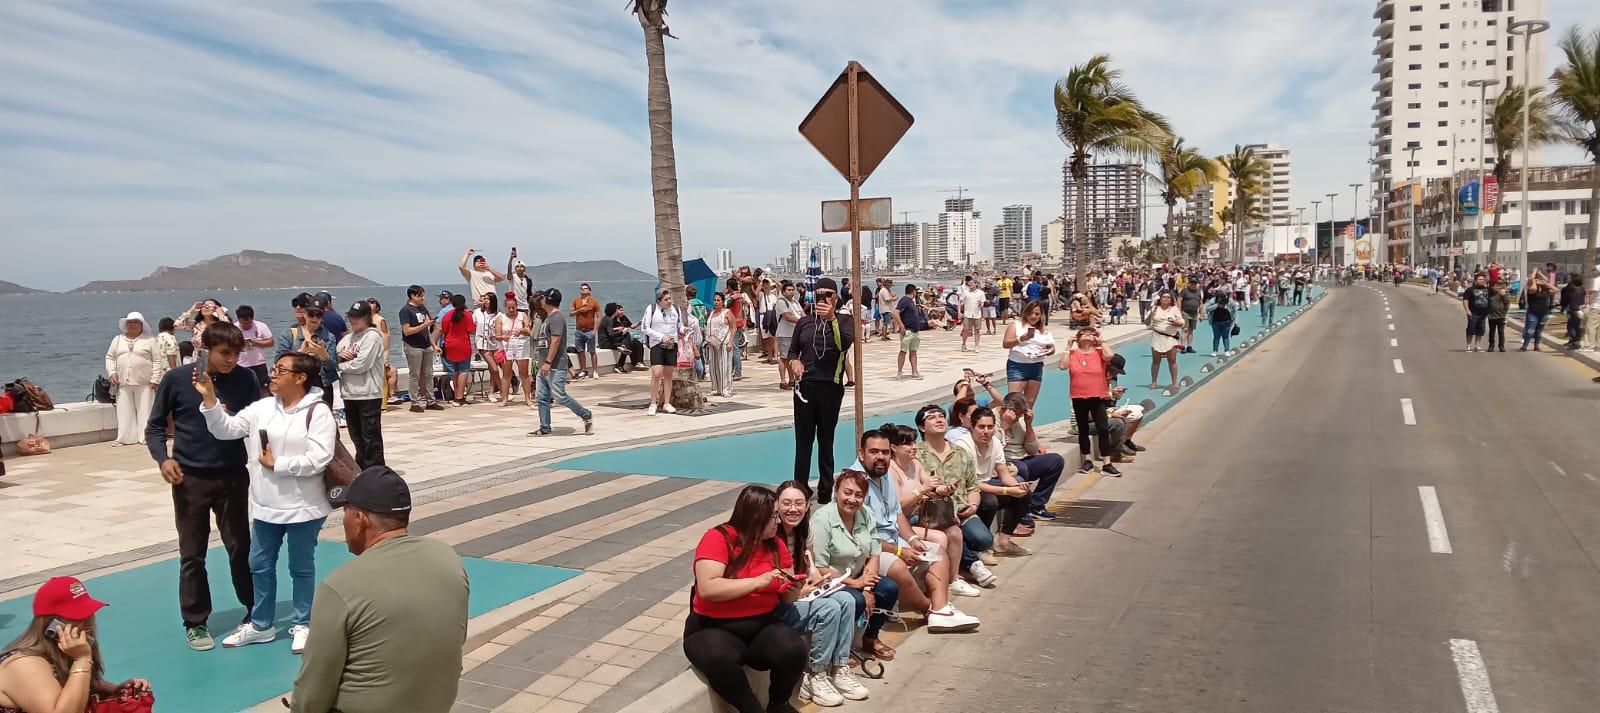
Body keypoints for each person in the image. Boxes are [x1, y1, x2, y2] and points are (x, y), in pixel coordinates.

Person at [290, 466, 469, 713]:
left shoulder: (339, 588)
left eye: (345, 511)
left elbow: (310, 698)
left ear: (361, 519)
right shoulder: (448, 559)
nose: (343, 521)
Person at [196, 351, 335, 654]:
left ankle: (302, 623)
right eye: (273, 368)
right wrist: (210, 401)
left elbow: (320, 457)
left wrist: (278, 464)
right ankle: (261, 625)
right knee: (259, 564)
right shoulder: (261, 408)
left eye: (280, 370)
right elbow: (226, 429)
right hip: (265, 505)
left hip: (304, 506)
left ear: (300, 378)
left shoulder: (318, 412)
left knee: (301, 566)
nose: (272, 374)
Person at [146, 321, 259, 651]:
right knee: (192, 553)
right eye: (225, 353)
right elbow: (154, 427)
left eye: (237, 353)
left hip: (233, 476)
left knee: (241, 546)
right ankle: (195, 621)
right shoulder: (178, 379)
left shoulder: (246, 379)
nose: (232, 360)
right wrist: (162, 459)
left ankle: (254, 610)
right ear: (206, 350)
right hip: (189, 478)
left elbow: (256, 423)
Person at [683, 484, 808, 713]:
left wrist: (794, 587)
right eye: (773, 516)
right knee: (719, 659)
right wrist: (758, 581)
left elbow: (788, 598)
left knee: (793, 648)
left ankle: (778, 703)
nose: (778, 522)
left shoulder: (776, 545)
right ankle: (751, 709)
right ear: (755, 517)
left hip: (761, 625)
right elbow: (708, 588)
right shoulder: (719, 538)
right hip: (712, 626)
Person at [852, 430, 978, 633]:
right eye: (874, 452)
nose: (880, 457)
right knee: (897, 566)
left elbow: (897, 514)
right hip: (869, 548)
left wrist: (911, 539)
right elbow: (863, 537)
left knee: (936, 551)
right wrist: (899, 551)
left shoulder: (884, 477)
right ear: (861, 453)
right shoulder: (854, 483)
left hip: (892, 539)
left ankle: (941, 608)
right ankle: (930, 609)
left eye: (885, 452)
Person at [771, 483, 867, 706]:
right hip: (779, 603)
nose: (792, 509)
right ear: (776, 505)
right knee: (830, 607)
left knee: (846, 598)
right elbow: (781, 591)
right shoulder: (771, 536)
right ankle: (815, 675)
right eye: (786, 503)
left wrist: (819, 580)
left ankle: (840, 667)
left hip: (799, 595)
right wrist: (811, 587)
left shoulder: (805, 532)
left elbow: (809, 568)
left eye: (798, 503)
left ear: (807, 507)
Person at [0, 577, 152, 713]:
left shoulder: (66, 650)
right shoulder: (24, 664)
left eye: (89, 613)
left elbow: (79, 683)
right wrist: (82, 660)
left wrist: (117, 690)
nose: (88, 623)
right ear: (51, 625)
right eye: (78, 616)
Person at [809, 470, 899, 664]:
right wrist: (856, 584)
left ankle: (871, 637)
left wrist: (866, 586)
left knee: (890, 588)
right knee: (855, 599)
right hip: (833, 580)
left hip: (860, 575)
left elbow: (874, 553)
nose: (852, 499)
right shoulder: (822, 519)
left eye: (858, 495)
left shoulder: (866, 514)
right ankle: (841, 647)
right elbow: (821, 567)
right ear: (836, 492)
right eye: (847, 493)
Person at [903, 413, 983, 596]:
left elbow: (974, 486)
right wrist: (927, 491)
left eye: (941, 416)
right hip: (921, 514)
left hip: (950, 510)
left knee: (960, 532)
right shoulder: (913, 459)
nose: (939, 419)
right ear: (922, 427)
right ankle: (962, 568)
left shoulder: (960, 452)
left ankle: (953, 580)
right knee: (942, 537)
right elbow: (908, 501)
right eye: (932, 417)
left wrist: (972, 504)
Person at [790, 278, 852, 504]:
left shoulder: (845, 320)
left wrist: (831, 318)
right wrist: (793, 363)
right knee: (803, 441)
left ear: (836, 298)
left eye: (828, 295)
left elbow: (843, 344)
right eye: (818, 295)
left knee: (826, 441)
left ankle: (826, 490)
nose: (823, 299)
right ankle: (800, 488)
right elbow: (792, 351)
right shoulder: (804, 322)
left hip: (830, 387)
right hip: (805, 387)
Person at [528, 288, 594, 436]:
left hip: (555, 365)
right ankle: (545, 427)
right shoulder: (548, 317)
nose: (541, 300)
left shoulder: (556, 317)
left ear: (549, 300)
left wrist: (548, 362)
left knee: (560, 396)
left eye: (544, 297)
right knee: (542, 397)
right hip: (543, 365)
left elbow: (556, 341)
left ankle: (585, 414)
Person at [1059, 327, 1120, 476]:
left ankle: (1107, 463)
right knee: (1083, 429)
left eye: (1091, 333)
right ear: (1077, 338)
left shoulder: (1099, 353)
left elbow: (1110, 355)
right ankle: (1087, 460)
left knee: (1103, 428)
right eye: (1083, 333)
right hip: (1079, 396)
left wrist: (1102, 340)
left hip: (1097, 395)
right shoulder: (1073, 354)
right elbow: (1062, 366)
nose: (1087, 335)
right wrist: (1068, 346)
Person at [337, 301, 387, 468]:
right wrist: (339, 358)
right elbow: (336, 353)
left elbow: (361, 365)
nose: (353, 320)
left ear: (367, 317)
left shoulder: (372, 336)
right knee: (356, 436)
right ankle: (362, 469)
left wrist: (340, 366)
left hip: (368, 393)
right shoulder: (348, 338)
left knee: (370, 437)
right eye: (351, 316)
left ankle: (376, 471)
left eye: (357, 317)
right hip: (349, 394)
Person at [106, 311, 162, 446]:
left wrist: (155, 379)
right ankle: (125, 438)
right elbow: (110, 357)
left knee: (146, 410)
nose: (132, 325)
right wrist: (112, 372)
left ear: (142, 325)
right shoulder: (118, 339)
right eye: (130, 322)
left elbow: (157, 360)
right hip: (123, 381)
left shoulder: (149, 340)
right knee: (124, 410)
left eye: (136, 322)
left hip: (144, 382)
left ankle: (145, 437)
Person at [397, 285, 444, 412]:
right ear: (413, 296)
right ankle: (414, 402)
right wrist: (424, 324)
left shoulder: (422, 308)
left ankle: (431, 400)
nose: (423, 298)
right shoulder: (406, 311)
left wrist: (433, 344)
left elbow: (427, 328)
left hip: (426, 345)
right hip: (413, 346)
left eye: (423, 295)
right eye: (420, 295)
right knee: (415, 375)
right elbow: (407, 331)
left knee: (429, 374)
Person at [1001, 300, 1054, 408]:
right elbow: (1006, 344)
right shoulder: (1016, 325)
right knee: (1014, 402)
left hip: (1036, 366)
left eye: (1037, 314)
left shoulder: (1044, 330)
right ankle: (1010, 424)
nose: (1033, 316)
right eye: (1030, 313)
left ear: (1041, 315)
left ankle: (1028, 425)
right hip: (1017, 366)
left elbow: (1051, 347)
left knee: (1030, 402)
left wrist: (1049, 351)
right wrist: (1021, 338)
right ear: (1025, 312)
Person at [642, 289, 686, 416]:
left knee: (668, 375)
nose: (669, 302)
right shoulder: (651, 309)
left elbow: (679, 326)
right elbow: (645, 328)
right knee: (656, 373)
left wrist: (685, 330)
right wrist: (660, 336)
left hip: (672, 344)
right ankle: (653, 403)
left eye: (670, 299)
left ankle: (666, 402)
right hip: (657, 344)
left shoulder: (675, 309)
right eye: (666, 299)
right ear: (659, 300)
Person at [493, 292, 533, 407]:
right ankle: (504, 399)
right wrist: (503, 337)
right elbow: (497, 335)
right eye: (509, 308)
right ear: (505, 307)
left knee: (524, 373)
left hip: (521, 343)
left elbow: (528, 328)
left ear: (516, 307)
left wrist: (522, 330)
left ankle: (528, 398)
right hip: (507, 345)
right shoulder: (501, 318)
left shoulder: (522, 315)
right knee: (506, 373)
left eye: (513, 307)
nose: (511, 310)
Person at [437, 294, 476, 406]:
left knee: (455, 371)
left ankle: (456, 395)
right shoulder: (466, 315)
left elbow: (443, 330)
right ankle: (459, 397)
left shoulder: (447, 315)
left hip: (449, 345)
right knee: (464, 370)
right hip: (463, 344)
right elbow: (471, 330)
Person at [234, 305, 275, 395]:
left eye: (248, 323)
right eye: (243, 324)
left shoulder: (261, 326)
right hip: (241, 364)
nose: (246, 326)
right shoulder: (234, 328)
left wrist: (255, 343)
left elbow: (271, 342)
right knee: (242, 390)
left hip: (259, 363)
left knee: (263, 389)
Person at [1147, 292, 1184, 389]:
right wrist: (1151, 315)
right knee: (1155, 361)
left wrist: (1175, 322)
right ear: (1160, 299)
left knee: (1172, 360)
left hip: (1170, 337)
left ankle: (1175, 382)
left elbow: (1181, 322)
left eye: (1168, 297)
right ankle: (1154, 382)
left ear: (1171, 299)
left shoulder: (1174, 309)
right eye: (1164, 297)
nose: (1166, 299)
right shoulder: (1155, 309)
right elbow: (1146, 323)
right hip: (1157, 337)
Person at [471, 293, 503, 401]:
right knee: (495, 368)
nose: (486, 301)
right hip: (482, 343)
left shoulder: (498, 315)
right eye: (484, 299)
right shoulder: (477, 313)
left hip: (494, 343)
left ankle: (491, 392)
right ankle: (503, 391)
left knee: (492, 369)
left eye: (488, 299)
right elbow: (473, 325)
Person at [706, 292, 736, 397]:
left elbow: (733, 327)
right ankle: (716, 388)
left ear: (723, 301)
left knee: (724, 366)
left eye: (718, 300)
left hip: (724, 342)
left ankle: (726, 389)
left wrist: (730, 341)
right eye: (715, 300)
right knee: (713, 366)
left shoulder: (727, 312)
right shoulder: (711, 313)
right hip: (712, 343)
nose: (716, 302)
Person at [774, 282, 804, 390]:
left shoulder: (795, 302)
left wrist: (806, 322)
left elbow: (802, 313)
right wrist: (801, 321)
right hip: (784, 334)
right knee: (784, 358)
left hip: (795, 334)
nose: (791, 292)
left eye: (792, 290)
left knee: (793, 357)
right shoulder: (781, 302)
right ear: (783, 291)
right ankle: (783, 380)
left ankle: (792, 380)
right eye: (788, 290)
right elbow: (788, 317)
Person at [599, 302, 641, 374]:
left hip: (605, 341)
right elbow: (611, 335)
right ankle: (621, 365)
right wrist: (622, 332)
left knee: (627, 344)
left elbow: (608, 330)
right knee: (626, 339)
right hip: (606, 343)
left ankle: (622, 363)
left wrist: (618, 329)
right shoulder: (609, 320)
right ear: (614, 311)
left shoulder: (606, 318)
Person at [892, 284, 924, 380]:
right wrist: (901, 325)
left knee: (913, 352)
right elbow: (895, 312)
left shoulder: (911, 302)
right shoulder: (905, 300)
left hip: (915, 331)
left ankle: (914, 371)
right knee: (903, 351)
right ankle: (899, 372)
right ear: (913, 291)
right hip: (908, 330)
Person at [571, 283, 602, 380]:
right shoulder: (576, 301)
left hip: (590, 330)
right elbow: (571, 313)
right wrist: (579, 310)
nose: (583, 290)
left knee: (592, 351)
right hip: (579, 330)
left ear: (589, 290)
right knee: (580, 351)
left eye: (585, 289)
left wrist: (595, 330)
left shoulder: (594, 302)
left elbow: (599, 316)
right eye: (581, 289)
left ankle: (595, 371)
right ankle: (583, 370)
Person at [1520, 272, 1556, 351]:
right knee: (1530, 330)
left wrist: (1545, 283)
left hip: (1543, 313)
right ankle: (1524, 346)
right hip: (1533, 312)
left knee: (1539, 331)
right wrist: (1534, 277)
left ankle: (1536, 346)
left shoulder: (1545, 290)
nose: (1538, 281)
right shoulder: (1531, 289)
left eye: (1539, 280)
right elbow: (1532, 287)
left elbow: (1555, 289)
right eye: (1537, 280)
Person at [1460, 274, 1491, 352]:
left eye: (1483, 279)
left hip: (1483, 314)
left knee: (1480, 330)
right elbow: (1465, 300)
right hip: (1473, 313)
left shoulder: (1487, 289)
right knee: (1471, 329)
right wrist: (1467, 310)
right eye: (1480, 279)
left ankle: (1477, 346)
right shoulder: (1470, 290)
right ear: (1475, 280)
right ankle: (1468, 346)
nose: (1482, 281)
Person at [1560, 273, 1586, 349]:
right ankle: (1575, 341)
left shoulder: (1570, 288)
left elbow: (1566, 299)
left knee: (1571, 326)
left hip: (1572, 308)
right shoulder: (1582, 288)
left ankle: (1575, 342)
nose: (1567, 279)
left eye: (1569, 277)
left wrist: (1563, 308)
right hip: (1581, 309)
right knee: (1577, 325)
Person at [1178, 280, 1205, 353]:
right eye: (1192, 283)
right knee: (1185, 329)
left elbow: (1201, 303)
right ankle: (1182, 346)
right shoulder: (1184, 291)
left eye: (1195, 283)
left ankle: (1189, 346)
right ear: (1189, 284)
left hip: (1194, 313)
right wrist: (1178, 311)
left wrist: (1202, 313)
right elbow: (1179, 300)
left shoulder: (1199, 292)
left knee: (1191, 330)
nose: (1193, 285)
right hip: (1185, 313)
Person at [1207, 289, 1235, 356]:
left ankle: (1227, 350)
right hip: (1215, 321)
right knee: (1216, 337)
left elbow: (1234, 309)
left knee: (1225, 336)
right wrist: (1217, 305)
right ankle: (1215, 351)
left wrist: (1235, 321)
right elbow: (1207, 308)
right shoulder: (1213, 300)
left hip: (1227, 321)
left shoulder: (1229, 300)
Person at [1486, 280, 1512, 353]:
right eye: (1494, 286)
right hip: (1491, 316)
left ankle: (1501, 346)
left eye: (1498, 286)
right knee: (1492, 331)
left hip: (1501, 316)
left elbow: (1507, 303)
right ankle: (1491, 345)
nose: (1496, 288)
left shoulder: (1502, 294)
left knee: (1501, 332)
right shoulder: (1489, 294)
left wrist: (1504, 311)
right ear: (1491, 287)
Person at [960, 278, 984, 351]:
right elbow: (960, 302)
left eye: (972, 283)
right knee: (966, 330)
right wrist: (959, 312)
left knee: (977, 330)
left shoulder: (980, 293)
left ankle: (976, 346)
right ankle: (963, 344)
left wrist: (981, 305)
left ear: (976, 284)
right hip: (967, 313)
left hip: (977, 314)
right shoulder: (965, 292)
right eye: (969, 283)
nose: (970, 284)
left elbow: (982, 302)